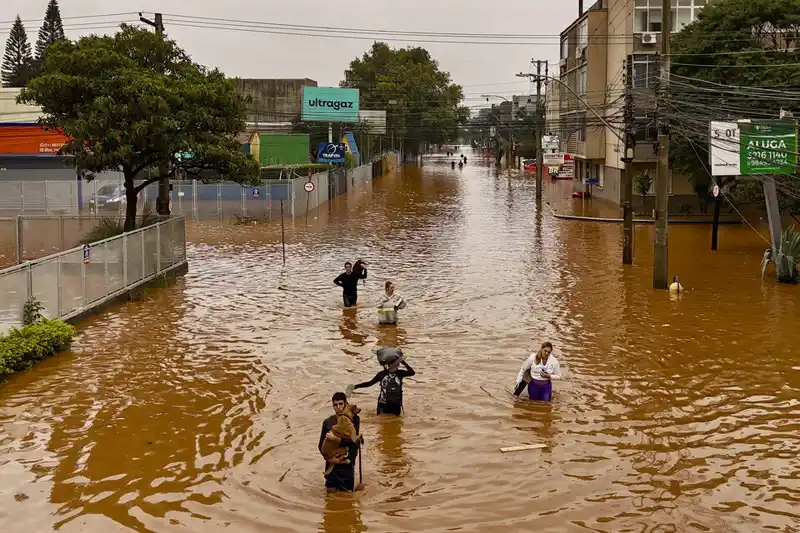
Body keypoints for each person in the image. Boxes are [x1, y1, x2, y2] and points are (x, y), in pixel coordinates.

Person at [319, 392, 363, 492]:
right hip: (331, 464)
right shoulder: (328, 422)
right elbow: (320, 445)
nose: (338, 407)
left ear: (346, 404)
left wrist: (336, 440)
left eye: (341, 404)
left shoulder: (354, 420)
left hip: (347, 465)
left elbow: (353, 443)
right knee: (330, 499)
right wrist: (328, 459)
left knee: (347, 500)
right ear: (332, 406)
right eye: (335, 405)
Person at [351, 356, 415, 415]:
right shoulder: (381, 374)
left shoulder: (400, 373)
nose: (398, 365)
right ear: (391, 365)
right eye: (397, 364)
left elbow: (412, 373)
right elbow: (370, 383)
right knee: (381, 423)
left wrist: (404, 363)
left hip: (396, 404)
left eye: (398, 364)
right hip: (383, 404)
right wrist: (356, 386)